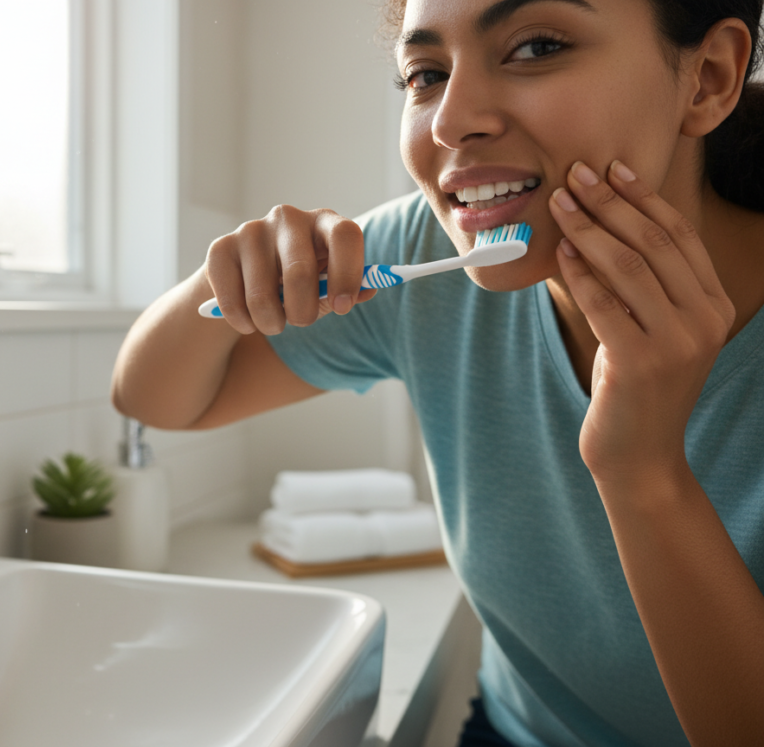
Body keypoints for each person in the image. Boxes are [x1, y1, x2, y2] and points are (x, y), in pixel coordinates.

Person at [111, 0, 764, 744]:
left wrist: (642, 469)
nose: (451, 122)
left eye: (536, 47)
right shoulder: (425, 256)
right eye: (425, 75)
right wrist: (227, 277)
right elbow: (154, 399)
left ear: (709, 78)